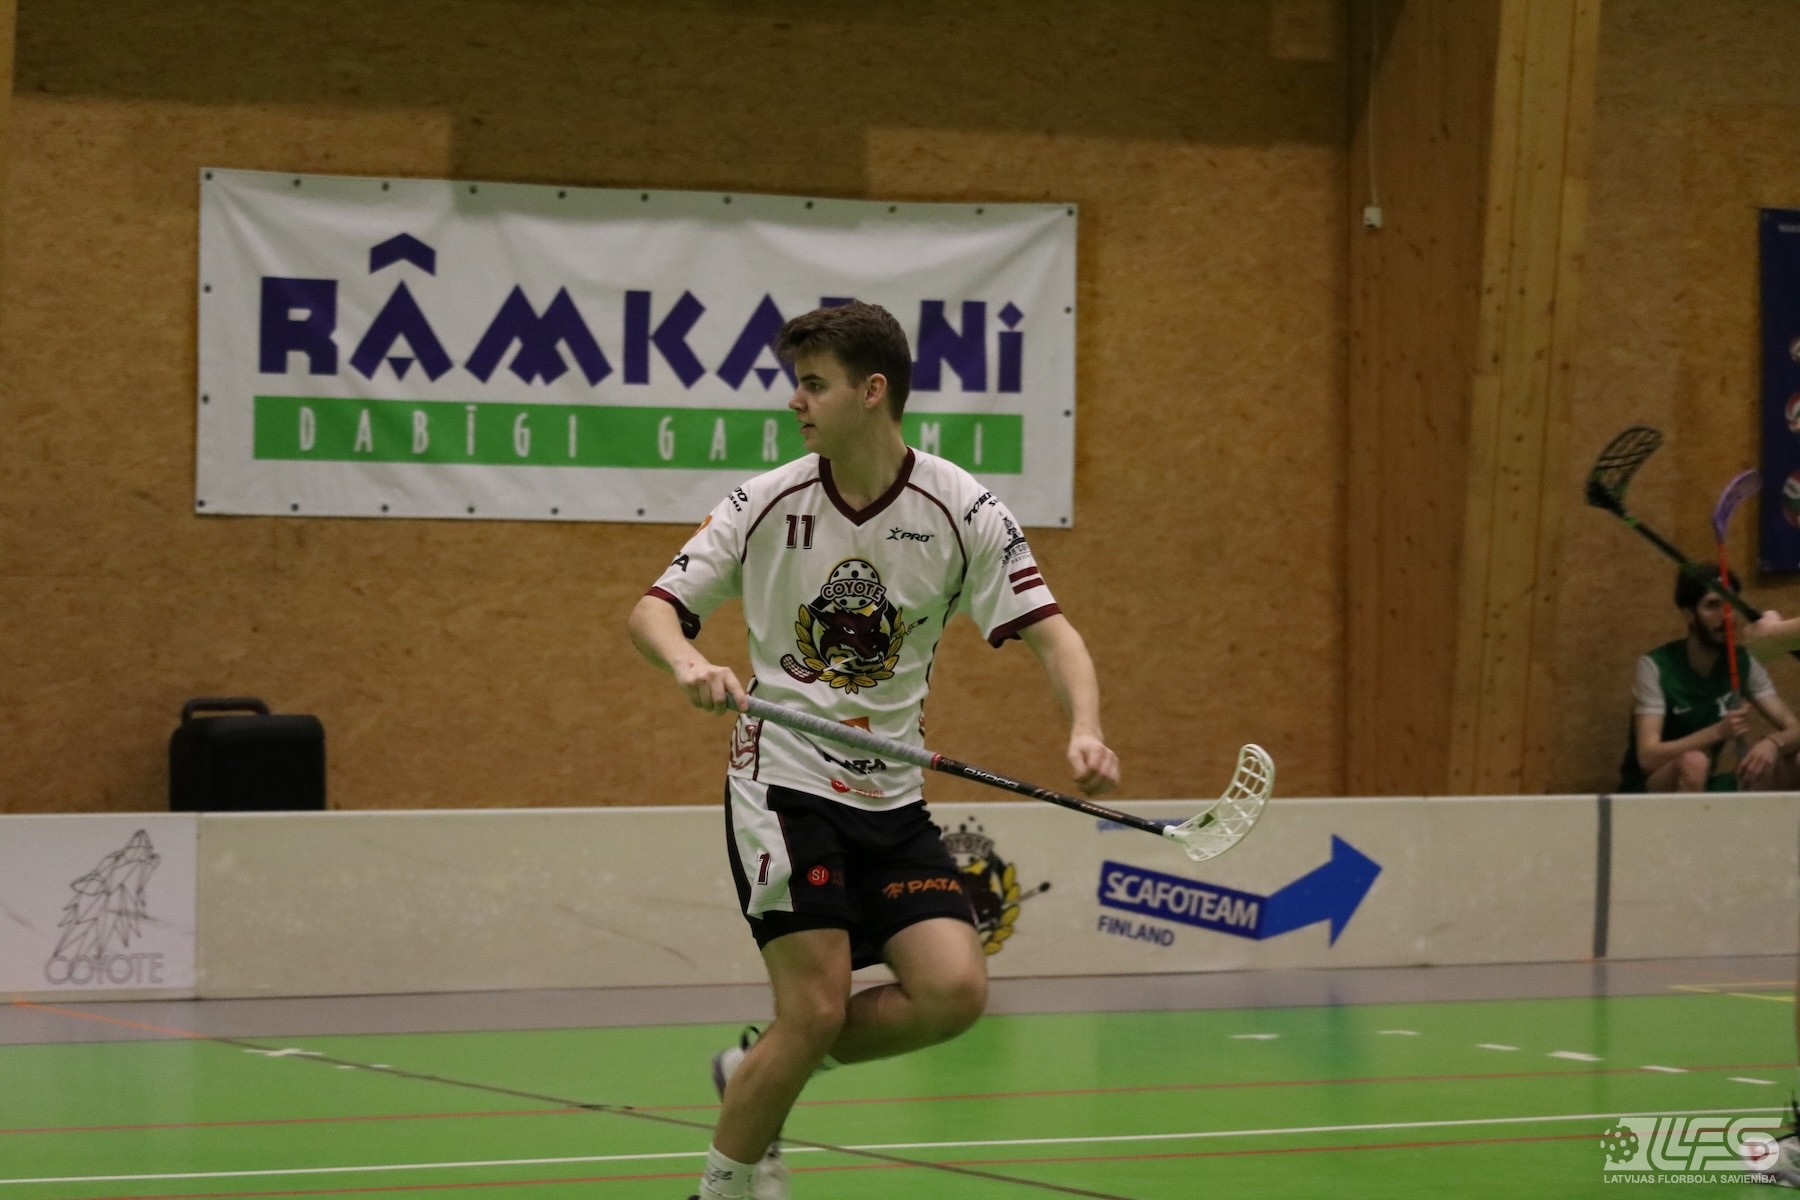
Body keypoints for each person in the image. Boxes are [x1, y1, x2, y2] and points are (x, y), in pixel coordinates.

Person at [626, 301, 1120, 1200]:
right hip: (784, 783)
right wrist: (688, 662)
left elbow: (1056, 638)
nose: (796, 402)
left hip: (891, 793)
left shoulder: (962, 508)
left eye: (814, 384)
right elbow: (653, 610)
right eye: (797, 383)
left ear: (872, 391)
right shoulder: (766, 501)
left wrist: (1084, 726)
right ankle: (721, 1184)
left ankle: (756, 1072)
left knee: (953, 992)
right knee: (814, 1008)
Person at [1619, 566, 1800, 794]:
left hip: (1706, 786)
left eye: (1730, 604)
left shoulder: (1742, 660)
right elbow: (1648, 758)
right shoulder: (1656, 666)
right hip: (1650, 792)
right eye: (1713, 605)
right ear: (1689, 614)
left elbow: (1795, 729)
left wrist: (1774, 743)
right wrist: (1718, 732)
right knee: (1694, 763)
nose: (1726, 615)